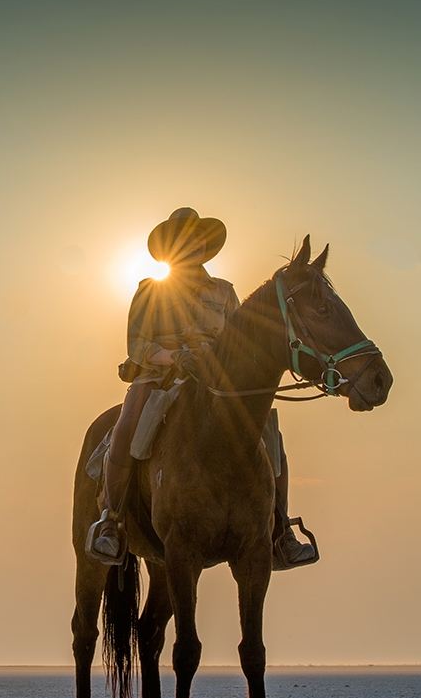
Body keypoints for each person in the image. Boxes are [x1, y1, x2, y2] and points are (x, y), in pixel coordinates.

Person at [87, 207, 316, 568]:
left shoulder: (224, 291)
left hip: (214, 380)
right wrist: (176, 358)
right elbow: (138, 346)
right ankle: (112, 522)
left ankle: (280, 530)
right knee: (128, 427)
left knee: (270, 433)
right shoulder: (150, 290)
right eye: (185, 238)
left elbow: (241, 340)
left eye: (198, 238)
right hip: (159, 376)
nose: (194, 244)